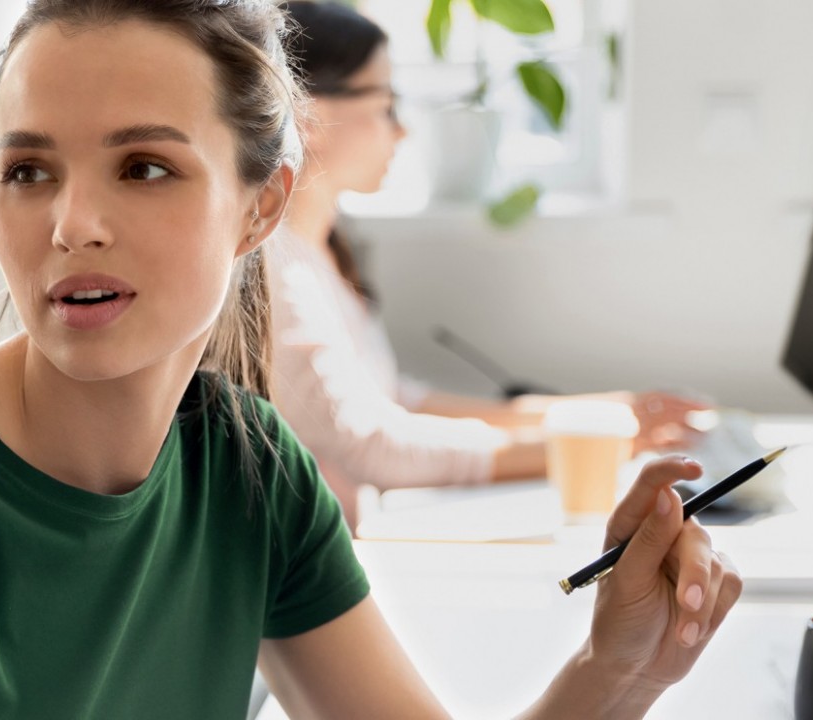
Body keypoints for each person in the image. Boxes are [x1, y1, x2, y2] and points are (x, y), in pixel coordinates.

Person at [0, 1, 739, 717]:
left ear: (262, 204)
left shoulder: (250, 470)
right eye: (27, 169)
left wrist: (624, 670)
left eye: (145, 166)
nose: (72, 222)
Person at [267, 1, 706, 516]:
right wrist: (605, 444)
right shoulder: (279, 271)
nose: (402, 130)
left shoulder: (320, 252)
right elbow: (374, 449)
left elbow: (394, 400)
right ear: (310, 117)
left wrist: (596, 412)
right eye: (386, 104)